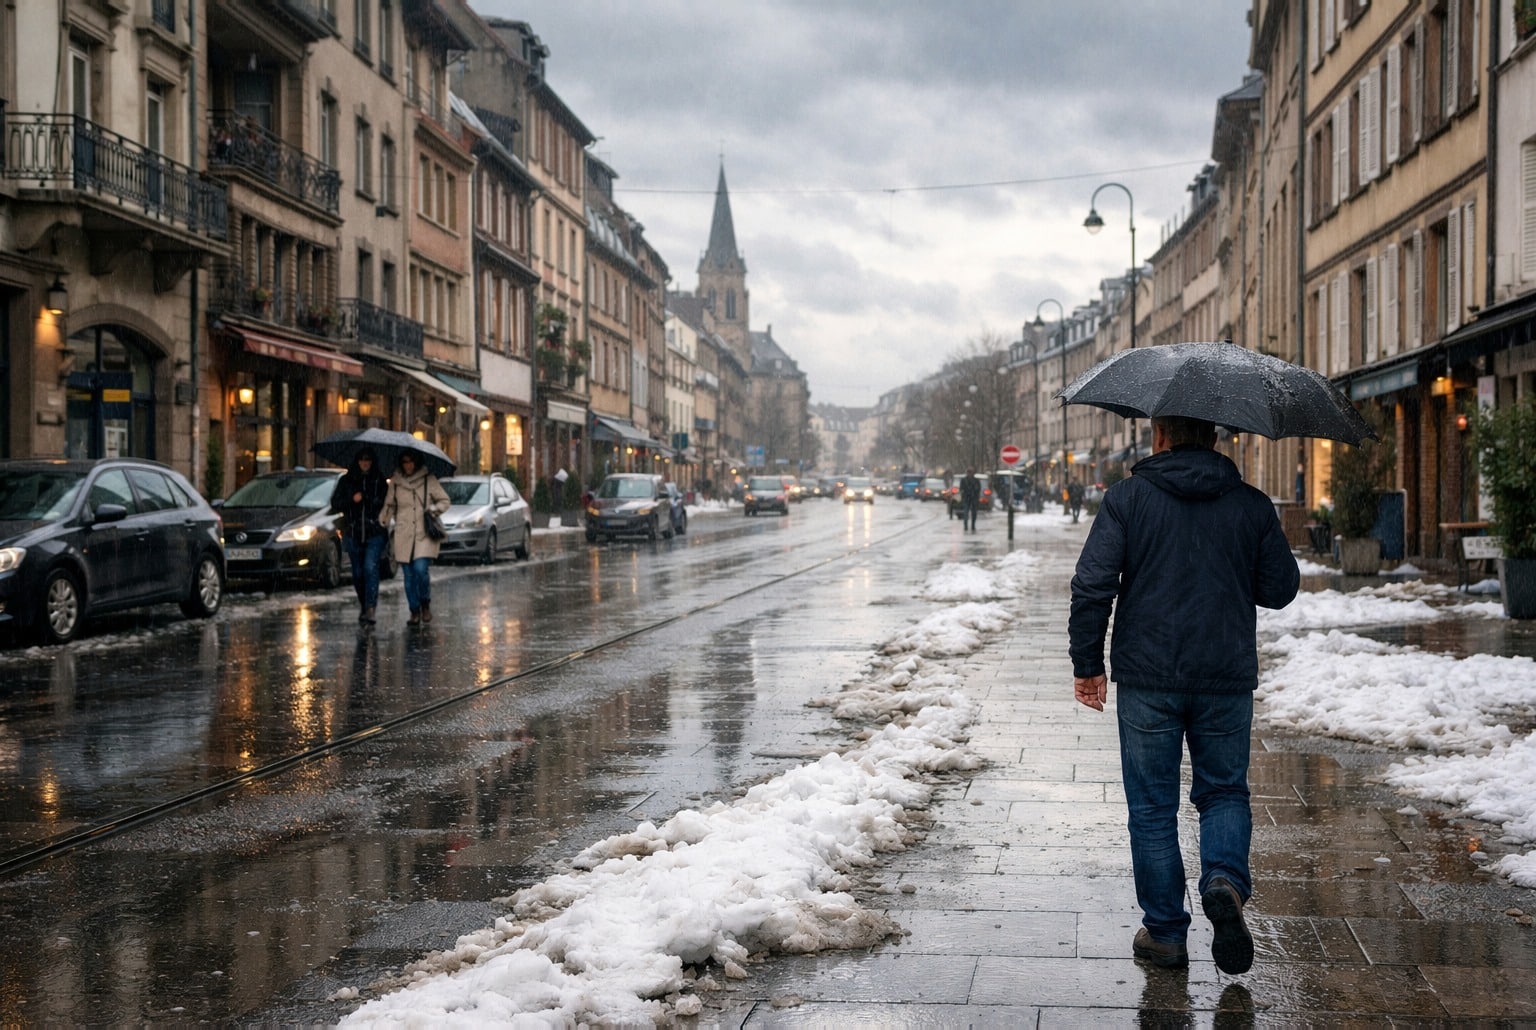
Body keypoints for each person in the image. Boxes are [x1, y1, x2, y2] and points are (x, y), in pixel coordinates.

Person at [1068, 415, 1299, 975]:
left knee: (1151, 807)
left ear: (1160, 436)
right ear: (1215, 439)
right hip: (1225, 674)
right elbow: (1280, 588)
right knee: (1223, 792)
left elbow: (1092, 584)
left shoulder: (1127, 499)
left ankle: (1167, 933)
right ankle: (1223, 880)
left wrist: (1087, 665)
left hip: (1148, 677)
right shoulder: (1251, 505)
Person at [380, 449, 450, 626]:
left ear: (416, 462)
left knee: (420, 569)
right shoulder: (395, 482)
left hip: (423, 532)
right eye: (404, 462)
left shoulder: (429, 479)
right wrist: (384, 518)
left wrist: (433, 510)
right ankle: (414, 610)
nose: (408, 465)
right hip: (403, 533)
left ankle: (425, 603)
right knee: (408, 575)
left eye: (411, 461)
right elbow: (389, 504)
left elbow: (444, 500)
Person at [329, 447, 389, 624]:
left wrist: (370, 500)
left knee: (370, 568)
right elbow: (335, 503)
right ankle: (364, 605)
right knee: (357, 572)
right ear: (357, 461)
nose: (365, 463)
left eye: (368, 460)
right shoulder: (347, 480)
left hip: (374, 531)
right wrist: (351, 500)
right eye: (362, 460)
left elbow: (386, 503)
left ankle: (371, 608)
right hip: (353, 531)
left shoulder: (379, 480)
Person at [958, 467, 982, 531]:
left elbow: (979, 489)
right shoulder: (963, 480)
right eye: (969, 472)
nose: (970, 474)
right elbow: (961, 488)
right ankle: (965, 525)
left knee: (974, 513)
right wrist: (964, 493)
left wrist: (975, 493)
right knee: (966, 512)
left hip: (974, 498)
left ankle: (973, 525)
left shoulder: (976, 480)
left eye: (971, 472)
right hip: (966, 498)